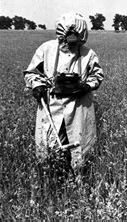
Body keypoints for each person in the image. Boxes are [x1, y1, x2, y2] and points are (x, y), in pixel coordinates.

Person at [24, 12, 104, 174]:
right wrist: (37, 85)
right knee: (49, 145)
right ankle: (53, 178)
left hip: (79, 106)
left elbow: (97, 75)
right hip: (51, 105)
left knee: (80, 147)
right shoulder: (46, 49)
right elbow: (31, 73)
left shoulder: (88, 54)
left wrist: (87, 86)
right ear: (61, 34)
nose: (72, 45)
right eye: (68, 40)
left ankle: (80, 179)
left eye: (76, 42)